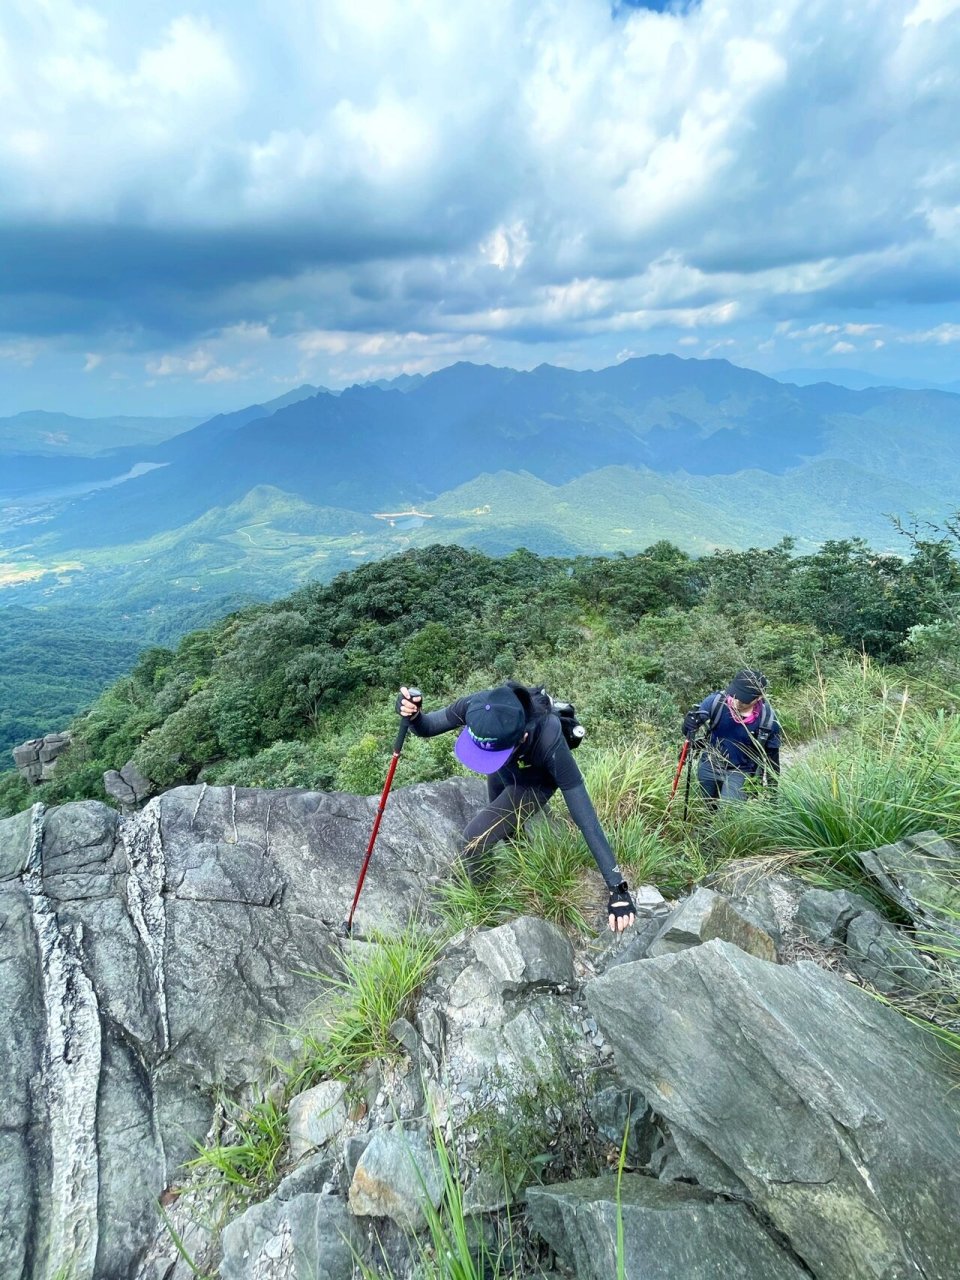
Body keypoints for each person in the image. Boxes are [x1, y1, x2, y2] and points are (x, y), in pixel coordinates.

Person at [397, 681, 636, 933]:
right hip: (505, 764)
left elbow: (586, 820)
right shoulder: (479, 707)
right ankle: (522, 860)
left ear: (522, 737)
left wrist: (617, 890)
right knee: (505, 831)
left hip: (535, 781)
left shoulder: (549, 738)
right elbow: (427, 727)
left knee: (473, 840)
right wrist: (413, 715)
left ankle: (484, 902)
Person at [681, 669, 781, 807]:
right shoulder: (716, 702)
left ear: (759, 698)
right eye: (734, 694)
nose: (735, 700)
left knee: (728, 814)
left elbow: (773, 759)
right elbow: (689, 730)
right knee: (708, 806)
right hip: (709, 765)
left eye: (743, 699)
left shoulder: (768, 720)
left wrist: (773, 793)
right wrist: (689, 724)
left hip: (741, 771)